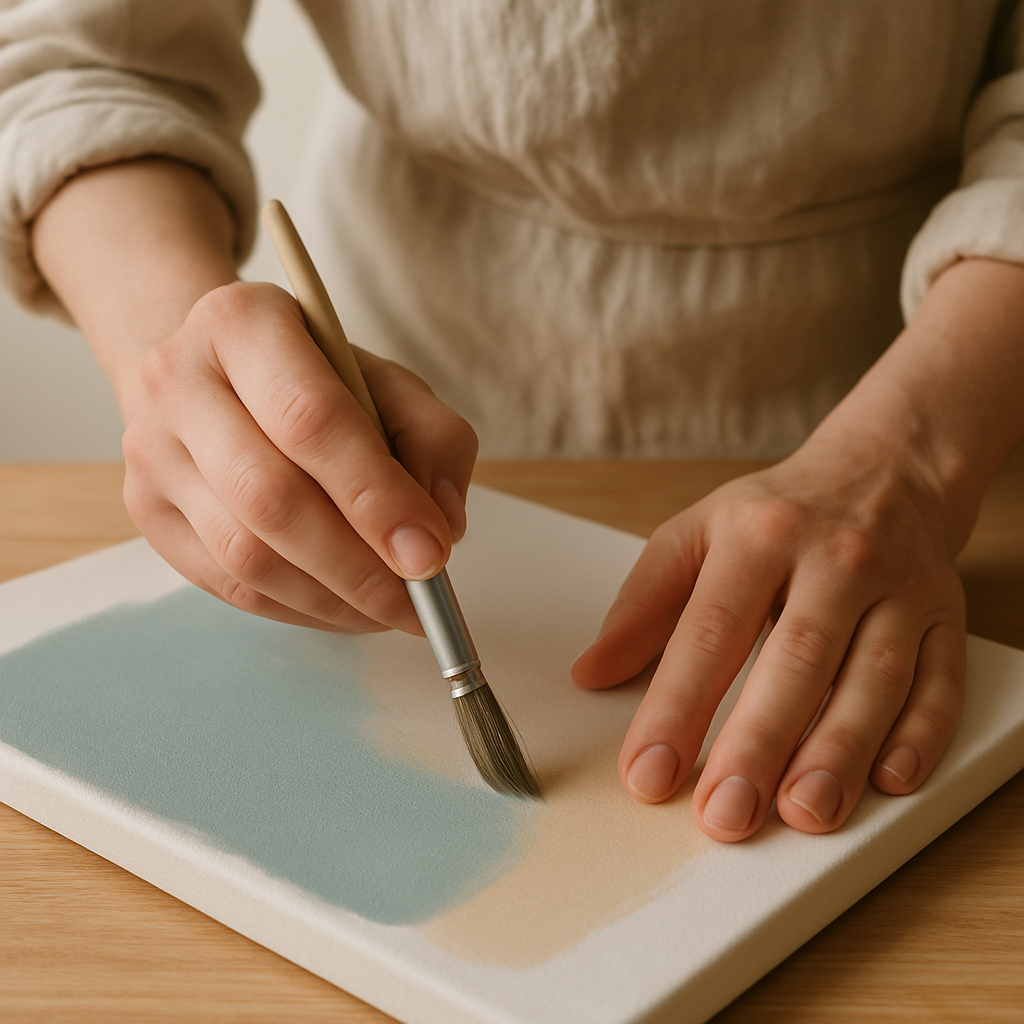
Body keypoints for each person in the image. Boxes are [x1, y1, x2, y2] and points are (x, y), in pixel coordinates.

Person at [2, 1, 1023, 843]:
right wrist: (173, 351)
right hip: (400, 360)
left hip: (945, 379)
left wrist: (920, 458)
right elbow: (76, 59)